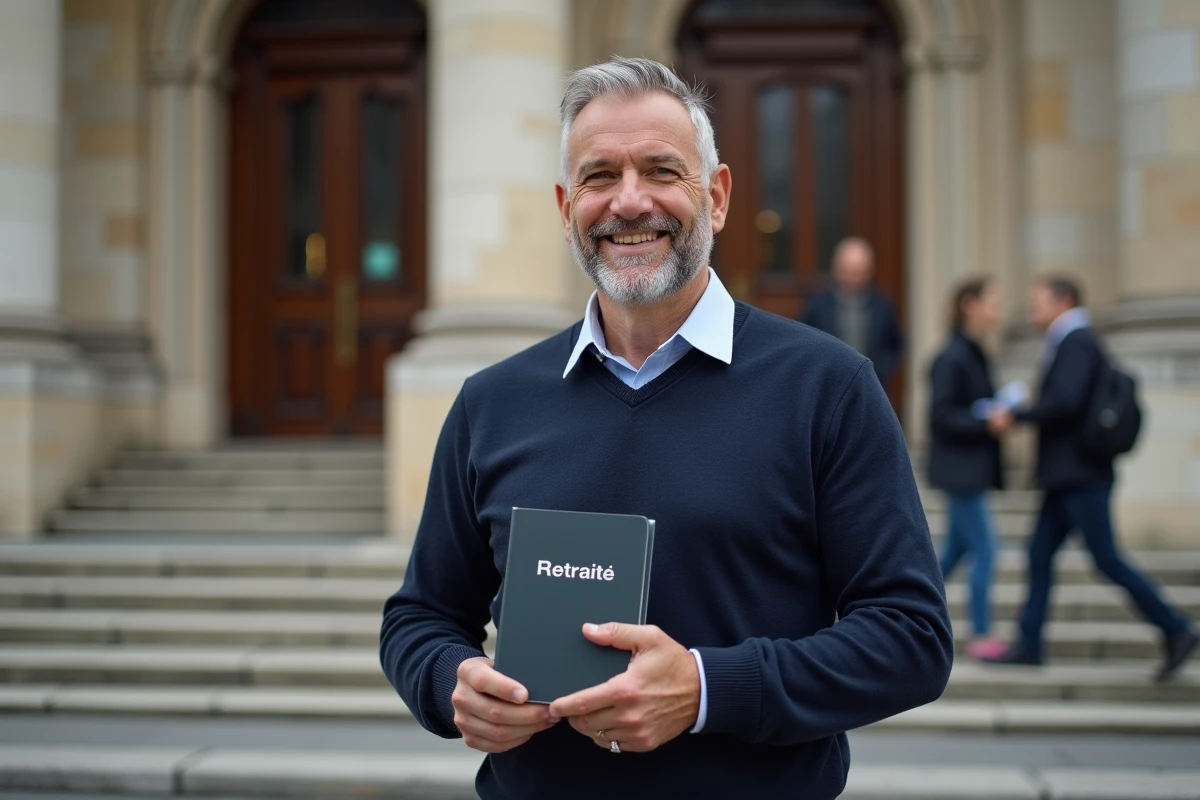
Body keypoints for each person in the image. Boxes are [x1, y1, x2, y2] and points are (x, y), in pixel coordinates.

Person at [379, 57, 953, 799]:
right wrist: (447, 683)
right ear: (564, 208)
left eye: (659, 170)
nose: (628, 201)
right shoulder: (492, 402)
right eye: (597, 177)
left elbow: (911, 638)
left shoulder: (829, 388)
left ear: (714, 198)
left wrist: (709, 687)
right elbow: (420, 615)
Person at [983, 278, 1198, 679]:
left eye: (1038, 302)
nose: (1032, 311)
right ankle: (1029, 643)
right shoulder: (1072, 341)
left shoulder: (1076, 340)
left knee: (1106, 558)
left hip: (1081, 476)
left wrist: (1017, 415)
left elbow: (1065, 400)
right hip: (1070, 476)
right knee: (1039, 554)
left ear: (1064, 302)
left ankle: (1176, 628)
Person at [928, 278, 1011, 661]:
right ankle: (981, 634)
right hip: (960, 471)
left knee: (954, 553)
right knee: (987, 550)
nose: (998, 309)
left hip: (971, 468)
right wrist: (985, 422)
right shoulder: (953, 355)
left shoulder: (975, 352)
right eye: (992, 301)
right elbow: (941, 415)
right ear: (969, 305)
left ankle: (906, 613)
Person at [801, 237, 904, 388]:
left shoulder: (882, 305)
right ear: (836, 269)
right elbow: (805, 340)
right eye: (848, 271)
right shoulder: (818, 305)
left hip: (872, 384)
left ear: (869, 271)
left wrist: (882, 368)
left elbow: (895, 344)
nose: (853, 278)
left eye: (858, 272)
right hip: (828, 384)